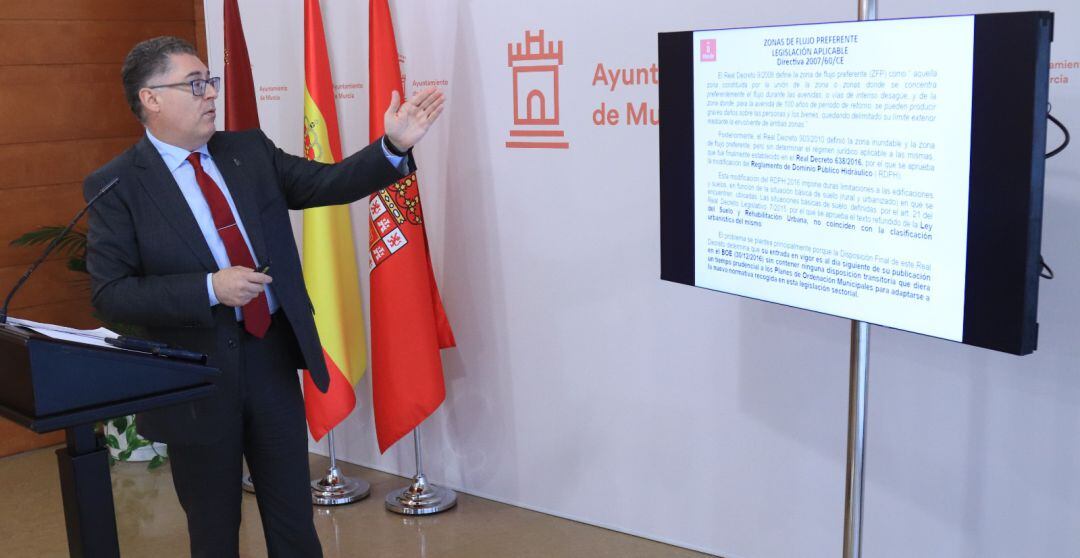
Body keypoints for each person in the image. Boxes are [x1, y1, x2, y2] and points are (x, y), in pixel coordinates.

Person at [83, 36, 443, 557]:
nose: (210, 94)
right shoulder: (117, 185)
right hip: (197, 378)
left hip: (270, 355)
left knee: (294, 521)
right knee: (213, 530)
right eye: (195, 84)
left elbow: (328, 183)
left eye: (210, 81)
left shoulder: (247, 151)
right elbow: (111, 294)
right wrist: (210, 288)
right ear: (151, 99)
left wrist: (392, 146)